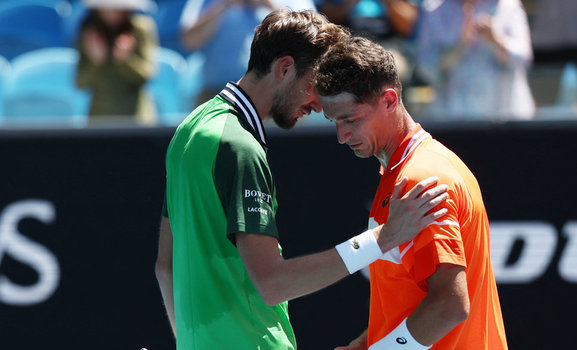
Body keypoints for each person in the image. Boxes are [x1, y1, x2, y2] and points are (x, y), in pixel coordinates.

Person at [155, 9, 450, 350]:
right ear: (284, 68)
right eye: (315, 86)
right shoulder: (240, 148)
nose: (320, 104)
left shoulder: (190, 129)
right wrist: (383, 238)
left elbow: (166, 266)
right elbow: (272, 284)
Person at [315, 35, 507, 349]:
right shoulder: (409, 169)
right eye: (335, 121)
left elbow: (450, 305)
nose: (342, 135)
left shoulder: (420, 178)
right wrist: (368, 342)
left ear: (389, 100)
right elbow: (413, 298)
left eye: (351, 119)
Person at [414, 0, 534, 120]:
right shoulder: (434, 10)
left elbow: (524, 60)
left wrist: (495, 40)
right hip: (453, 121)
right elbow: (425, 70)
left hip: (506, 119)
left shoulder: (508, 6)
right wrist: (460, 46)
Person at [179, 0, 315, 104]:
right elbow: (189, 41)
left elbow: (310, 40)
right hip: (217, 92)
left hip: (277, 93)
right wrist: (222, 5)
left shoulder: (291, 2)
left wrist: (269, 6)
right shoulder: (206, 2)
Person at [76, 0, 158, 124]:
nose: (115, 11)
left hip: (137, 120)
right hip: (99, 120)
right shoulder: (90, 33)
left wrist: (125, 59)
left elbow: (146, 76)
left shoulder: (141, 28)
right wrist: (97, 62)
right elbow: (80, 82)